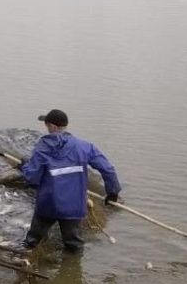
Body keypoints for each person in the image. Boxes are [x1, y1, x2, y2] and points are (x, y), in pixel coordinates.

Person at [16, 109, 120, 255]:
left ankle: (26, 259)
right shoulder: (84, 146)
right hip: (74, 206)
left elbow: (31, 177)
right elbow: (108, 169)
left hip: (48, 204)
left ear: (52, 126)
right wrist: (112, 192)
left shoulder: (43, 147)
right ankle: (73, 270)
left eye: (46, 125)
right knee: (74, 245)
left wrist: (24, 166)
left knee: (32, 242)